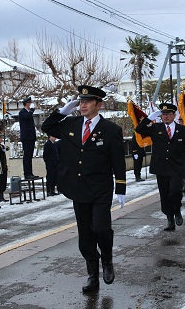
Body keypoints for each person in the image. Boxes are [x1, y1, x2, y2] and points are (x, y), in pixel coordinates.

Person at [41, 85, 126, 293]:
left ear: (99, 105)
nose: (83, 105)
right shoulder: (70, 123)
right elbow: (47, 127)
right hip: (78, 189)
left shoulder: (111, 130)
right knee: (85, 238)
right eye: (81, 101)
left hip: (100, 188)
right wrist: (62, 112)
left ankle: (107, 260)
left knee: (101, 228)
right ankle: (92, 276)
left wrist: (121, 187)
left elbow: (118, 160)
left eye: (88, 101)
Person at [135, 102, 185, 231]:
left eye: (169, 114)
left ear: (174, 115)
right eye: (163, 114)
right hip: (161, 167)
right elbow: (139, 129)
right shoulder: (155, 128)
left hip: (176, 166)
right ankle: (170, 219)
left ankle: (177, 210)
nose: (166, 117)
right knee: (164, 195)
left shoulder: (182, 129)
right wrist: (149, 118)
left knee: (175, 191)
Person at [19, 96, 37, 179]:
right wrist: (32, 110)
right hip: (26, 137)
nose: (31, 104)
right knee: (27, 156)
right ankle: (27, 173)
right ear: (26, 103)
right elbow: (27, 117)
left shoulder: (28, 112)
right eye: (30, 103)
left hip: (31, 137)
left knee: (30, 156)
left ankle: (30, 172)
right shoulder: (22, 112)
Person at [0, 132, 9, 203]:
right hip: (0, 166)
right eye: (0, 138)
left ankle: (1, 196)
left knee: (3, 182)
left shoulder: (1, 146)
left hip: (3, 166)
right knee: (0, 182)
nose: (1, 139)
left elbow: (7, 149)